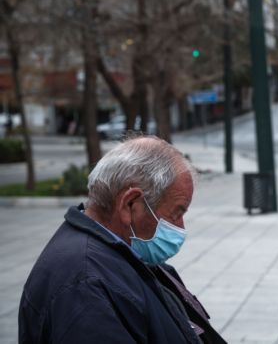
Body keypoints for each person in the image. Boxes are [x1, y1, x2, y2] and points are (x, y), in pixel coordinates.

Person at [19, 136, 227, 344]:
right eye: (176, 213)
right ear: (129, 205)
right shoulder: (85, 285)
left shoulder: (118, 256)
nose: (180, 227)